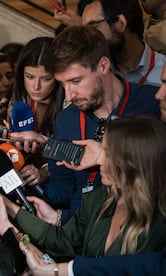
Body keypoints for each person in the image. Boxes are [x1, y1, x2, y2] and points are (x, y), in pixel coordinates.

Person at [21, 61, 166, 276]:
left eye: (106, 154)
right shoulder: (103, 199)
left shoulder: (158, 222)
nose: (159, 94)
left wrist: (60, 270)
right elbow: (66, 239)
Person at [14, 25, 160, 225]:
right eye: (63, 84)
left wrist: (106, 156)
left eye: (75, 81)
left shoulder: (154, 104)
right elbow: (62, 192)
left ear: (103, 65)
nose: (68, 95)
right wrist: (25, 183)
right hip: (83, 237)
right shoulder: (67, 121)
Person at [0, 116, 166, 269]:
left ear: (134, 164)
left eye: (107, 154)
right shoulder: (100, 198)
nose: (99, 160)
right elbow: (61, 241)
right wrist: (9, 208)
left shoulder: (160, 225)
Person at [8, 37, 65, 182]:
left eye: (46, 79)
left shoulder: (70, 104)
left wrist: (45, 143)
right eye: (30, 77)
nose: (36, 86)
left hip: (61, 183)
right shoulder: (19, 99)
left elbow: (74, 153)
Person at [82, 0, 166, 87]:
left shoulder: (163, 70)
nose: (86, 37)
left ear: (121, 23)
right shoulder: (92, 76)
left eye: (93, 27)